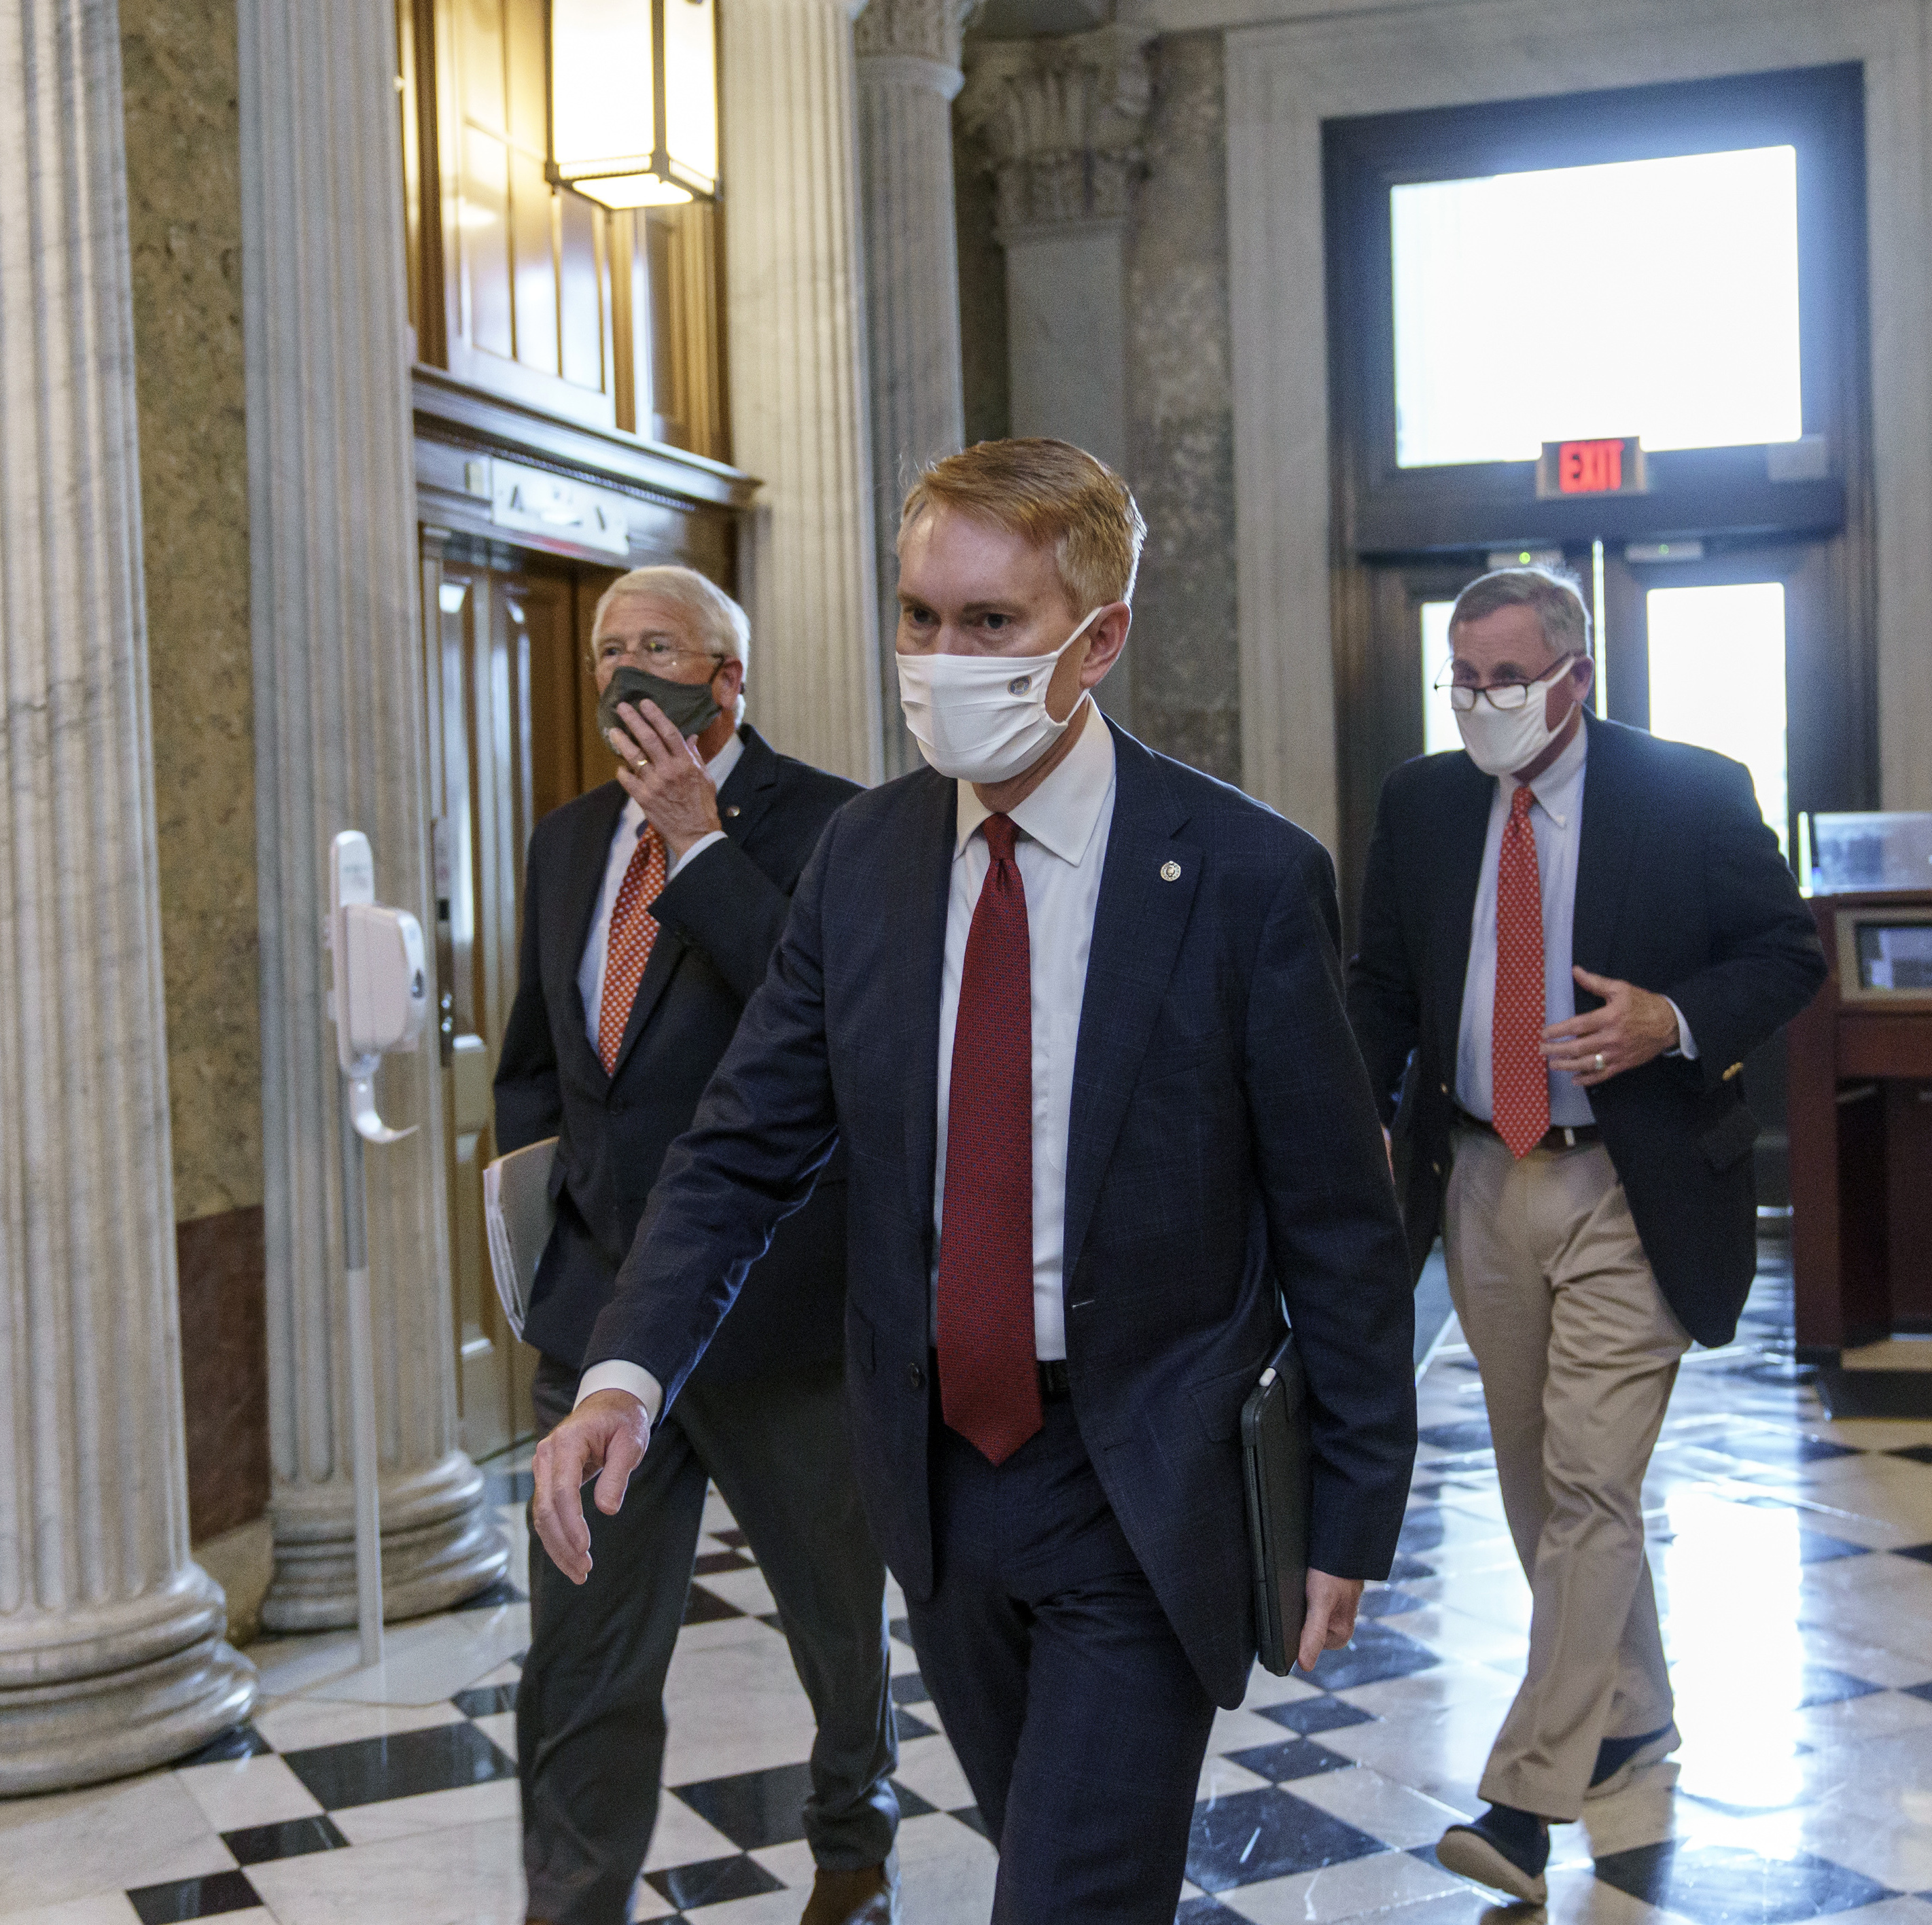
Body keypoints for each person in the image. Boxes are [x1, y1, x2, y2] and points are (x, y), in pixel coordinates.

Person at [529, 439, 1418, 1925]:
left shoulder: (1245, 875)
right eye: (919, 616)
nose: (940, 657)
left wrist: (1350, 1509)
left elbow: (1338, 1222)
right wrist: (625, 1370)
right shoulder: (860, 862)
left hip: (1139, 1471)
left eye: (990, 624)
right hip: (935, 1477)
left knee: (1062, 1899)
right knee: (1054, 1856)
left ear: (1097, 639)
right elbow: (746, 1143)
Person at [1347, 567, 1825, 1903]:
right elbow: (1380, 984)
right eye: (1460, 676)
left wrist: (1667, 1018)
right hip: (1482, 1179)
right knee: (1528, 1477)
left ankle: (1524, 1796)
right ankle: (1629, 1715)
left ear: (1574, 675)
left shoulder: (1689, 789)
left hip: (1634, 1176)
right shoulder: (1422, 800)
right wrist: (1330, 1129)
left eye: (1504, 676)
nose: (1479, 701)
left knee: (1590, 1483)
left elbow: (1786, 956)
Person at [493, 565, 898, 1925]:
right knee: (584, 1651)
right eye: (607, 649)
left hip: (779, 1319)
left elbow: (834, 1022)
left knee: (835, 1622)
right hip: (605, 1321)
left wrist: (698, 839)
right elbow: (538, 1064)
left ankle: (852, 1837)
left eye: (654, 647)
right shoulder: (562, 843)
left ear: (726, 679)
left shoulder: (839, 825)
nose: (623, 671)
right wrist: (554, 1216)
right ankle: (572, 1898)